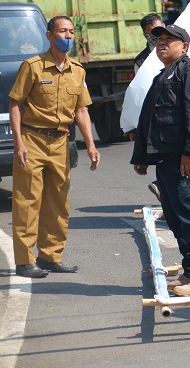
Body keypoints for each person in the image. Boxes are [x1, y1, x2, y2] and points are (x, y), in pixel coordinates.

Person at [131, 24, 190, 296]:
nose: (162, 43)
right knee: (175, 216)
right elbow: (149, 119)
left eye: (170, 39)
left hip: (185, 159)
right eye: (159, 39)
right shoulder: (163, 75)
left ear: (184, 47)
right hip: (167, 158)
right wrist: (142, 156)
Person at [9, 16, 101, 278]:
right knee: (28, 201)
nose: (68, 36)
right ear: (49, 36)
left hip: (61, 142)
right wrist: (18, 143)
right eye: (62, 31)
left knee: (58, 202)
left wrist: (91, 145)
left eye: (71, 32)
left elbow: (81, 110)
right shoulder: (33, 67)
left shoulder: (78, 71)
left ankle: (50, 256)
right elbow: (15, 104)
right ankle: (25, 261)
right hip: (33, 140)